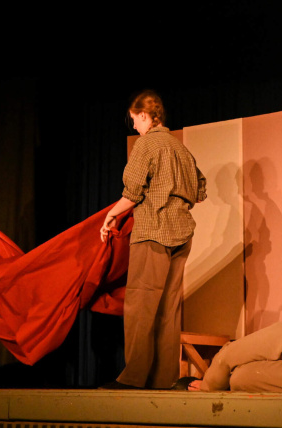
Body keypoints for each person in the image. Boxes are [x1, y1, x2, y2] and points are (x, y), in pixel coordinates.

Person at [99, 90, 207, 390]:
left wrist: (111, 215)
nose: (134, 126)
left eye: (134, 120)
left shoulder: (146, 144)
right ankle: (163, 379)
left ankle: (134, 377)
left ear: (145, 116)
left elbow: (132, 192)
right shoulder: (181, 148)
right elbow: (200, 191)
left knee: (141, 303)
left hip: (153, 232)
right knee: (168, 309)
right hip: (182, 234)